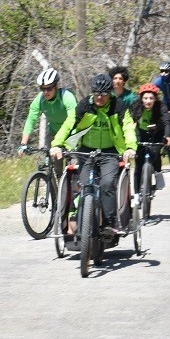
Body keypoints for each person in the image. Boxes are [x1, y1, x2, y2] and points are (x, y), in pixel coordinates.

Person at [51, 73, 137, 233]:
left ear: (110, 93)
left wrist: (131, 147)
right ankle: (81, 220)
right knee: (83, 185)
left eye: (104, 94)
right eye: (96, 94)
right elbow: (69, 124)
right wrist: (56, 144)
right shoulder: (85, 105)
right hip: (86, 151)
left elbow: (128, 126)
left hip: (109, 152)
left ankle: (110, 223)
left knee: (107, 183)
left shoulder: (118, 106)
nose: (99, 98)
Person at [20, 68, 77, 173]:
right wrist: (23, 143)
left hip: (72, 134)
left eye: (49, 88)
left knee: (72, 170)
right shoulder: (40, 100)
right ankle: (57, 185)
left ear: (56, 87)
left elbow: (72, 120)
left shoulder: (67, 97)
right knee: (56, 169)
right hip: (54, 133)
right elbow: (31, 120)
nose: (46, 92)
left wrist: (63, 144)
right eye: (43, 88)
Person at [128, 83, 170, 198]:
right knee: (138, 164)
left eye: (151, 98)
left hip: (157, 133)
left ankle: (158, 172)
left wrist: (167, 136)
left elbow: (167, 122)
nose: (148, 101)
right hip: (141, 134)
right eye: (145, 98)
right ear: (141, 99)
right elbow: (129, 122)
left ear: (155, 99)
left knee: (155, 153)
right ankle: (137, 194)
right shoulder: (136, 106)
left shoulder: (161, 106)